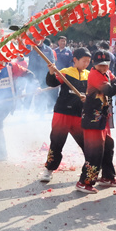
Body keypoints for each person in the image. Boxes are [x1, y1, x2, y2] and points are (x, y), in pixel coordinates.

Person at [77, 50, 116, 194]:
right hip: (93, 118)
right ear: (94, 64)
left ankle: (107, 176)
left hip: (103, 118)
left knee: (108, 145)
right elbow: (110, 90)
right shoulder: (94, 75)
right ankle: (84, 182)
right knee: (95, 151)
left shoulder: (107, 73)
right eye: (100, 65)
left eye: (106, 65)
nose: (103, 67)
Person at [39, 47, 91, 183]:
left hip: (79, 115)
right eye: (84, 61)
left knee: (87, 144)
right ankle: (48, 170)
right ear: (75, 60)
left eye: (88, 61)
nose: (86, 64)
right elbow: (52, 83)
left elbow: (94, 93)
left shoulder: (89, 75)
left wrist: (87, 98)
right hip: (62, 113)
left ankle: (90, 171)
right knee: (56, 143)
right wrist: (51, 73)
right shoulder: (65, 72)